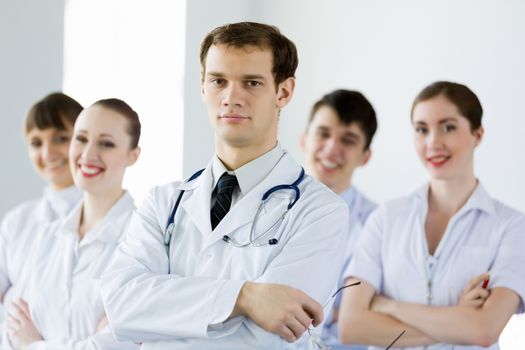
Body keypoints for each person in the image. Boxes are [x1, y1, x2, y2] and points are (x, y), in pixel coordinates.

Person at [101, 22, 349, 349]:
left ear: (284, 92)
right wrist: (244, 297)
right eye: (218, 81)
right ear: (203, 87)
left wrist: (159, 323)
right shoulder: (163, 203)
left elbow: (263, 339)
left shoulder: (320, 212)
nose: (232, 98)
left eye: (251, 83)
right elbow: (121, 305)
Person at [338, 81, 525, 349]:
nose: (433, 142)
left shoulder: (512, 226)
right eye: (422, 130)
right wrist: (460, 321)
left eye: (448, 127)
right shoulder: (385, 219)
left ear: (478, 134)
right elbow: (352, 326)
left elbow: (484, 329)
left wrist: (387, 305)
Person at [4, 99, 141, 350]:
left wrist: (33, 344)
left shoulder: (141, 239)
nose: (88, 154)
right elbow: (11, 331)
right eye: (81, 139)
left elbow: (119, 346)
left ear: (133, 155)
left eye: (106, 143)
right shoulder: (47, 237)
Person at [0, 93, 83, 341]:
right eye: (36, 142)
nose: (47, 153)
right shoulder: (17, 220)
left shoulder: (104, 219)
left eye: (60, 138)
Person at [300, 89, 377, 349]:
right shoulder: (264, 209)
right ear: (304, 139)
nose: (332, 149)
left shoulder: (378, 224)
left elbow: (367, 318)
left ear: (365, 156)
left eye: (348, 140)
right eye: (323, 134)